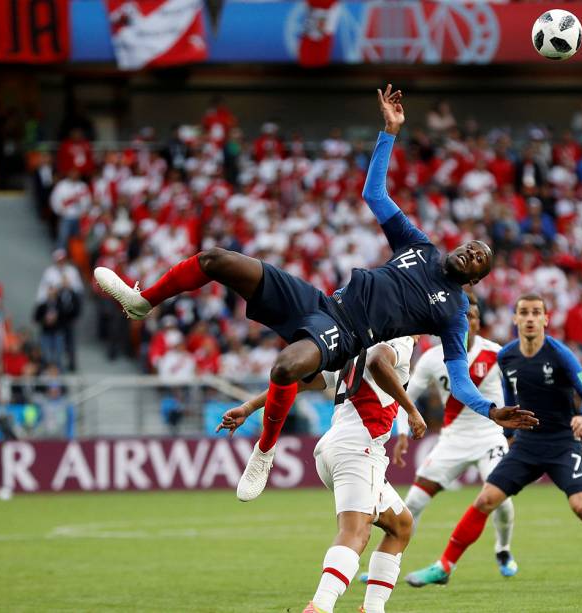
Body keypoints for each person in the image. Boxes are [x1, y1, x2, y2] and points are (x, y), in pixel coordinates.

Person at [94, 85, 536, 502]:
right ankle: (142, 302)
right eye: (473, 246)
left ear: (476, 279)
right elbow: (374, 193)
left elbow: (459, 380)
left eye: (481, 258)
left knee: (286, 366)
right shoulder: (420, 246)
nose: (473, 252)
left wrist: (491, 410)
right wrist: (389, 132)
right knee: (216, 259)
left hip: (346, 336)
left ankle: (264, 452)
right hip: (323, 302)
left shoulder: (455, 312)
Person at [404, 294, 582, 591]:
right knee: (485, 500)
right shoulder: (508, 356)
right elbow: (510, 397)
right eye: (524, 313)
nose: (530, 318)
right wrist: (510, 436)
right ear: (515, 319)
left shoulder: (560, 354)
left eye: (536, 313)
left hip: (562, 443)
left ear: (545, 319)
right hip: (527, 445)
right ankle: (444, 567)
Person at [220, 337, 424, 613]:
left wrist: (248, 407)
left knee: (401, 525)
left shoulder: (354, 345)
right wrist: (412, 409)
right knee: (356, 531)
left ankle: (373, 609)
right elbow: (378, 361)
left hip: (332, 449)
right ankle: (320, 606)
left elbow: (299, 383)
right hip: (359, 449)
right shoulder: (400, 339)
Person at [387, 294, 518, 578]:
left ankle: (503, 548)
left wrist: (512, 434)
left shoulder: (497, 354)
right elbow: (405, 398)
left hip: (490, 438)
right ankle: (390, 562)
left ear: (478, 322)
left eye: (472, 316)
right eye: (461, 316)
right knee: (413, 503)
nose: (467, 321)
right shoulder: (433, 359)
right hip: (453, 441)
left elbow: (515, 396)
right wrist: (401, 433)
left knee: (502, 502)